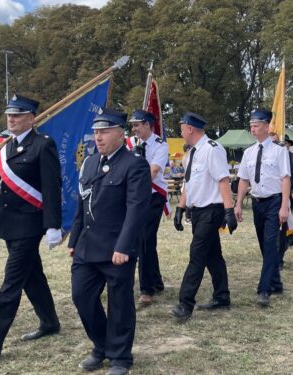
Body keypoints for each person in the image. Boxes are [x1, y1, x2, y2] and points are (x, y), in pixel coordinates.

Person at [0, 94, 62, 361]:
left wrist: (53, 225)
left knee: (11, 283)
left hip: (30, 224)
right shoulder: (2, 145)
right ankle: (49, 321)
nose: (11, 119)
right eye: (9, 115)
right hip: (8, 224)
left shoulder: (42, 145)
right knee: (32, 274)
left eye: (18, 115)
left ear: (31, 119)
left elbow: (51, 187)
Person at [67, 109, 150, 375]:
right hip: (87, 245)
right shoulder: (89, 163)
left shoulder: (134, 164)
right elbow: (82, 202)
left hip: (117, 248)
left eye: (104, 131)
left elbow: (137, 208)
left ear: (119, 133)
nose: (98, 137)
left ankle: (120, 357)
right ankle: (101, 345)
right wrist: (74, 237)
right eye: (96, 132)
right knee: (81, 297)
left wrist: (124, 246)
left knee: (120, 304)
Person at [169, 112, 236, 321]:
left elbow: (223, 181)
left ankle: (185, 303)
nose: (181, 132)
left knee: (196, 255)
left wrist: (229, 211)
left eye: (181, 128)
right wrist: (180, 208)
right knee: (212, 255)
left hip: (212, 210)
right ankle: (222, 296)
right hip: (197, 212)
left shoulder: (212, 150)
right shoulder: (193, 153)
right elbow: (189, 184)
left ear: (190, 129)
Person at [234, 109, 291, 307]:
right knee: (264, 246)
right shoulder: (249, 152)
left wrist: (285, 207)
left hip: (274, 201)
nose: (253, 128)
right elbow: (243, 179)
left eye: (256, 125)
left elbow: (285, 179)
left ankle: (264, 289)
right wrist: (238, 203)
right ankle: (275, 281)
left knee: (269, 244)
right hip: (257, 203)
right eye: (251, 125)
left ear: (267, 127)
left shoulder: (279, 151)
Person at [128, 109, 168, 307]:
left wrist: (135, 180)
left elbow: (153, 171)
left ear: (147, 125)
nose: (134, 129)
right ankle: (156, 280)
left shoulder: (160, 145)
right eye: (133, 125)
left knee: (144, 239)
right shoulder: (130, 144)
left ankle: (146, 289)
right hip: (136, 198)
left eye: (137, 125)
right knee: (147, 240)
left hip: (153, 197)